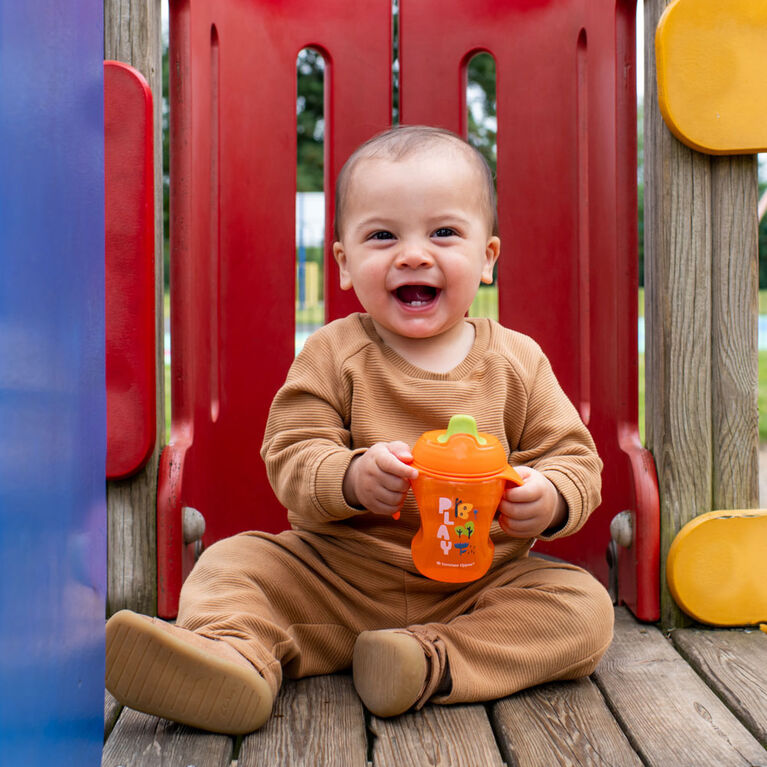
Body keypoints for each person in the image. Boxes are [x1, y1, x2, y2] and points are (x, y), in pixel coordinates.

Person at [105, 125, 614, 735]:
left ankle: (423, 662)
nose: (413, 255)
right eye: (382, 236)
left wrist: (550, 497)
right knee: (232, 563)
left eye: (444, 233)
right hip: (332, 579)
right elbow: (289, 452)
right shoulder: (335, 353)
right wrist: (347, 477)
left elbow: (574, 459)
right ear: (344, 263)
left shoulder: (517, 362)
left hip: (477, 591)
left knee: (582, 608)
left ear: (487, 259)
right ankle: (231, 658)